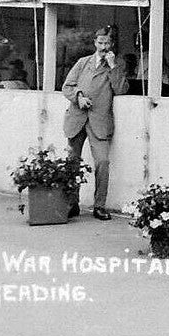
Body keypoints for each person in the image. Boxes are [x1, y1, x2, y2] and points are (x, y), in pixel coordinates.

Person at [61, 27, 127, 220]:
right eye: (100, 43)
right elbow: (67, 86)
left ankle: (99, 206)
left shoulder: (115, 66)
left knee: (103, 162)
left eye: (107, 43)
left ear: (111, 44)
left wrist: (113, 67)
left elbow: (121, 89)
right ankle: (72, 203)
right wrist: (79, 97)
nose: (103, 47)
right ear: (95, 43)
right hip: (77, 118)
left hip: (99, 121)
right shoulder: (83, 63)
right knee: (72, 161)